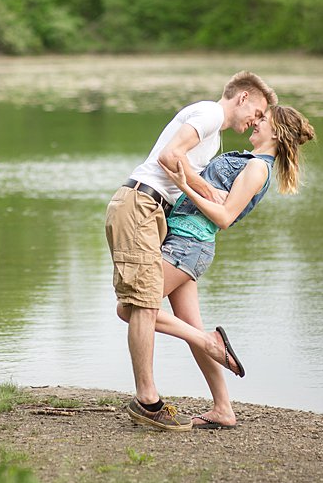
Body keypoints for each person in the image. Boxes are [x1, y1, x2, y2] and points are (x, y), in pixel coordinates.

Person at [117, 105, 316, 429]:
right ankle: (223, 407)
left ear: (276, 132)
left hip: (188, 246)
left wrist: (183, 184)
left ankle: (212, 342)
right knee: (190, 327)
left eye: (263, 121)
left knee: (130, 308)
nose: (255, 122)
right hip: (183, 242)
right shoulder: (250, 161)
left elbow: (224, 218)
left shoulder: (257, 169)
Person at [105, 71, 276, 431]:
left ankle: (213, 403)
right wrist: (204, 188)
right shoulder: (210, 115)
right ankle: (151, 398)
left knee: (140, 306)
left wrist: (199, 190)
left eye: (263, 119)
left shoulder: (215, 139)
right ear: (242, 98)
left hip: (159, 216)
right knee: (141, 305)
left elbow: (188, 175)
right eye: (257, 111)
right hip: (141, 204)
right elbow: (170, 156)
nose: (254, 121)